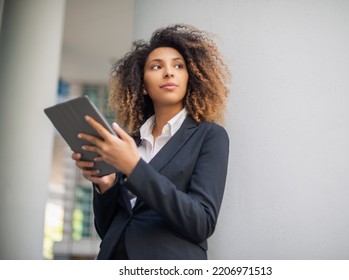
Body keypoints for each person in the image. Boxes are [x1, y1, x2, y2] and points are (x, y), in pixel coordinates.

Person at [71, 24, 231, 260]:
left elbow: (201, 223)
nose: (169, 72)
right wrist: (106, 186)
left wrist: (134, 167)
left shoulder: (209, 136)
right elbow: (109, 230)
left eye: (178, 66)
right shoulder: (128, 144)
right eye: (157, 66)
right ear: (142, 85)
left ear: (190, 77)